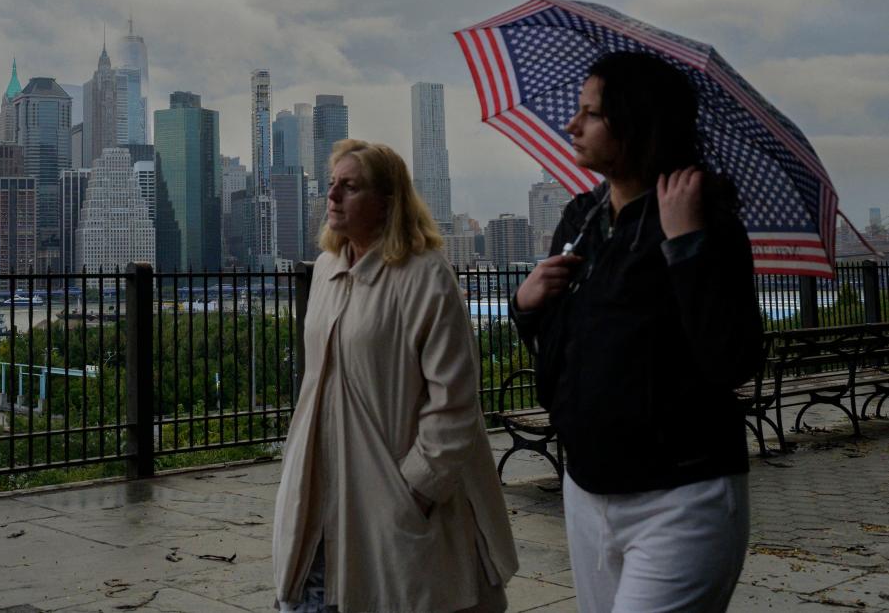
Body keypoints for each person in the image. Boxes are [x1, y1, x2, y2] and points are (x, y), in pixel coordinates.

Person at [511, 51, 764, 612]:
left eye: (590, 113)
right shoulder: (582, 217)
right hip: (586, 488)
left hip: (681, 495)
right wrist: (526, 305)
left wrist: (687, 247)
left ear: (636, 121)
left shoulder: (703, 215)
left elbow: (732, 357)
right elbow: (567, 347)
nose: (572, 125)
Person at [273, 139, 518, 613]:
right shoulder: (325, 270)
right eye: (331, 185)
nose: (333, 197)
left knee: (396, 593)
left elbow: (455, 401)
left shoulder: (426, 276)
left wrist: (417, 489)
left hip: (389, 495)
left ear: (388, 202)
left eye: (350, 187)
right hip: (318, 488)